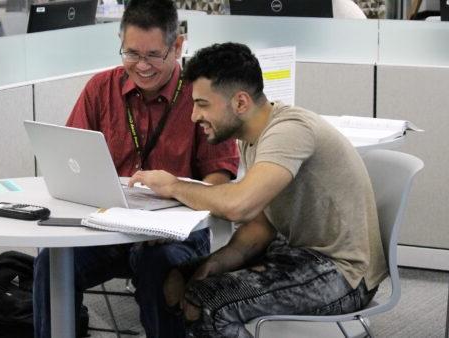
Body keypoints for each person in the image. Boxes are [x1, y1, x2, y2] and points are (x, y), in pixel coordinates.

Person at [129, 42, 388, 338]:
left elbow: (240, 205)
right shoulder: (253, 135)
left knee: (207, 303)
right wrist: (217, 262)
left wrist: (174, 186)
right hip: (295, 255)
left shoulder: (289, 130)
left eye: (202, 105)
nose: (194, 117)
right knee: (173, 279)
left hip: (343, 273)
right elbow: (261, 226)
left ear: (240, 103)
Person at [32, 1, 239, 337]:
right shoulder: (101, 89)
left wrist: (180, 214)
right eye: (131, 54)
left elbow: (220, 175)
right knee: (51, 263)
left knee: (157, 265)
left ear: (177, 47)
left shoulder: (198, 94)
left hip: (176, 233)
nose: (142, 66)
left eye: (153, 56)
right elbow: (70, 160)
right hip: (110, 227)